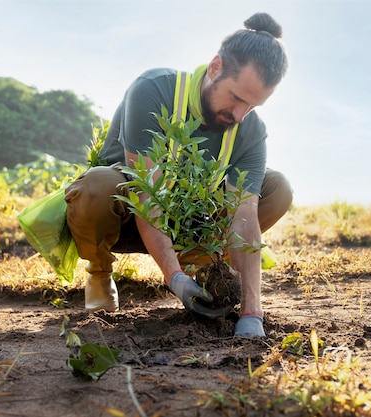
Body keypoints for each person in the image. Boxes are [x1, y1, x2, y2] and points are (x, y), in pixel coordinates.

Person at [65, 12, 292, 338]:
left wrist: (251, 312)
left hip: (190, 225)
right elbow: (146, 192)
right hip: (127, 216)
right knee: (97, 187)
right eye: (237, 98)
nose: (240, 115)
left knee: (277, 188)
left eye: (253, 106)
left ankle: (203, 268)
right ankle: (100, 274)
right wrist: (172, 277)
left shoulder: (251, 132)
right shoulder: (153, 91)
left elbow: (244, 215)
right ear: (215, 68)